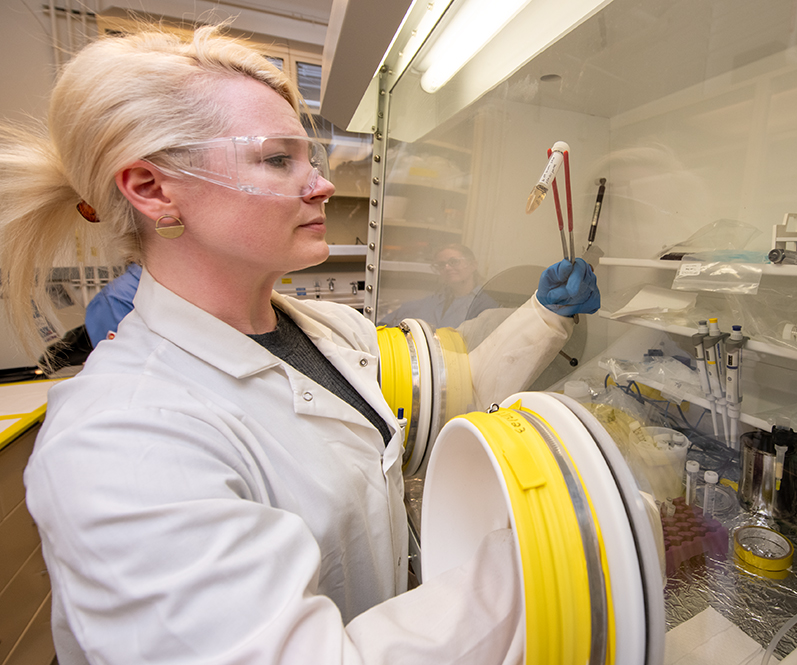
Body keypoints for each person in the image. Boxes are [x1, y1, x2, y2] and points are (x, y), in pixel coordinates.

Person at [0, 25, 600, 665]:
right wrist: (569, 545)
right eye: (277, 159)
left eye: (308, 159)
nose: (319, 185)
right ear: (152, 190)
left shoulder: (324, 330)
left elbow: (456, 393)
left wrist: (543, 315)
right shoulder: (119, 442)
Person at [382, 244, 499, 328]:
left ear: (473, 265)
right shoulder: (432, 301)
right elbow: (385, 323)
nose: (447, 268)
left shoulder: (486, 305)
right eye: (441, 265)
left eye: (454, 262)